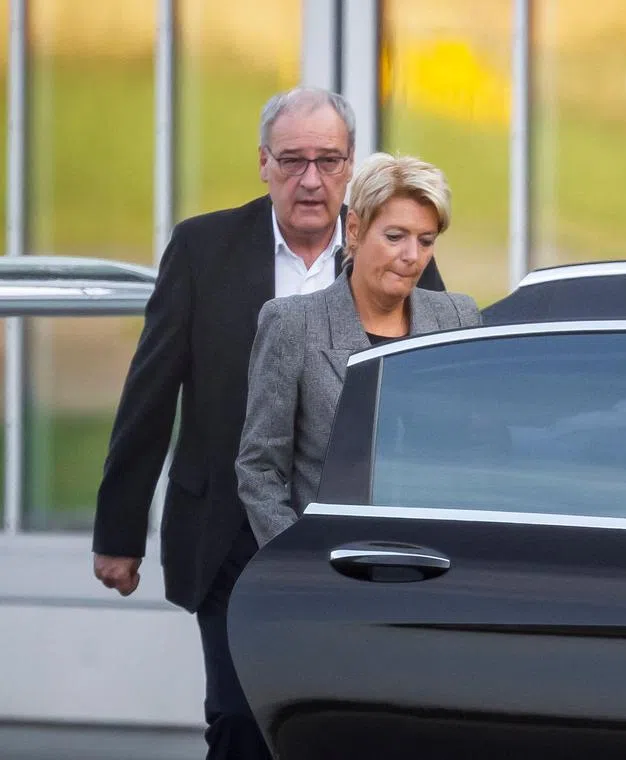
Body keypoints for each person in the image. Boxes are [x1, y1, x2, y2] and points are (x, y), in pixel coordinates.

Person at [90, 87, 446, 760]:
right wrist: (119, 530)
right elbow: (150, 392)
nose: (311, 180)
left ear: (350, 167)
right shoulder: (204, 249)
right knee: (238, 718)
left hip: (354, 541)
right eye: (293, 160)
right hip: (230, 531)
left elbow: (437, 393)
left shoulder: (393, 248)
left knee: (340, 721)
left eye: (329, 160)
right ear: (263, 162)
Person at [237, 152, 481, 548]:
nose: (411, 257)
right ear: (354, 230)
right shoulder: (293, 324)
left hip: (437, 567)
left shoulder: (458, 317)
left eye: (426, 241)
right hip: (333, 573)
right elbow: (259, 469)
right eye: (395, 236)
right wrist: (301, 560)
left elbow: (477, 452)